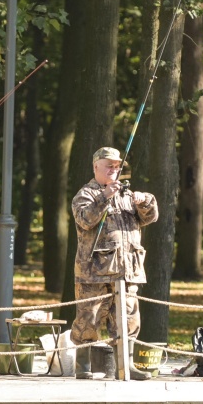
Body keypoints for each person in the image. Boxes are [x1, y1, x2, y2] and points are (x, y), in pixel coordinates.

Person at [70, 147, 159, 380]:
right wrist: (104, 197)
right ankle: (83, 367)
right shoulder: (86, 194)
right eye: (108, 165)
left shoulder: (126, 194)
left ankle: (126, 366)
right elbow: (86, 220)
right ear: (95, 167)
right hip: (95, 272)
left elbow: (150, 217)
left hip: (127, 270)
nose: (114, 169)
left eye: (117, 165)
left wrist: (144, 201)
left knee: (128, 320)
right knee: (88, 320)